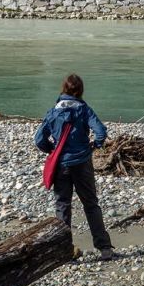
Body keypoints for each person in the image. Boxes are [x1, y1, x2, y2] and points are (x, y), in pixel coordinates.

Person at [34, 73, 114, 261]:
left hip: (61, 164)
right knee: (91, 204)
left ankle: (64, 251)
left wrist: (52, 150)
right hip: (82, 163)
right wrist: (95, 145)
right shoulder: (84, 109)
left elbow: (39, 139)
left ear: (64, 89)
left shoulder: (53, 111)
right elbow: (101, 131)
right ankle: (104, 248)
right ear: (80, 90)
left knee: (62, 205)